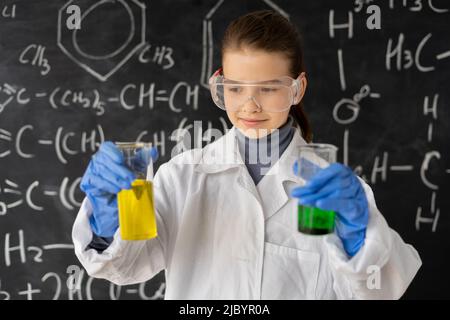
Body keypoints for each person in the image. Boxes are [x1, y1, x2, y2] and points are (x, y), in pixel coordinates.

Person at [72, 10, 421, 299]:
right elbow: (124, 267)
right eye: (235, 88)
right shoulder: (180, 177)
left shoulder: (333, 192)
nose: (250, 105)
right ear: (219, 84)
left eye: (269, 88)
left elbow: (381, 291)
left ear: (297, 88)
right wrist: (107, 218)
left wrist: (357, 237)